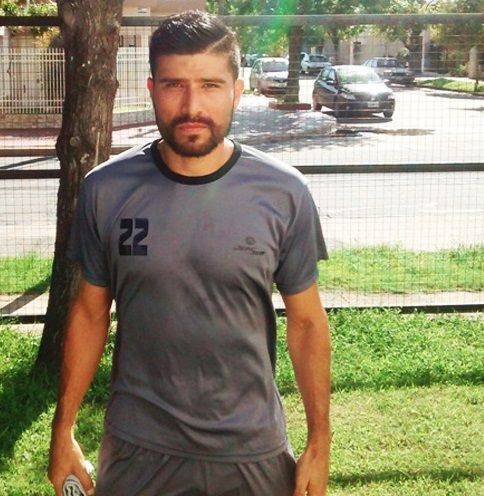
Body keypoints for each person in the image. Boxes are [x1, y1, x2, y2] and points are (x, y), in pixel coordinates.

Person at [48, 10, 331, 496]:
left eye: (210, 86)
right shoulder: (105, 190)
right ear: (151, 89)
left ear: (237, 91)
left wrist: (319, 441)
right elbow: (90, 314)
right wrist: (64, 429)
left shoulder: (285, 192)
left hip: (251, 448)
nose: (192, 105)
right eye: (175, 85)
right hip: (137, 447)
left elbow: (306, 323)